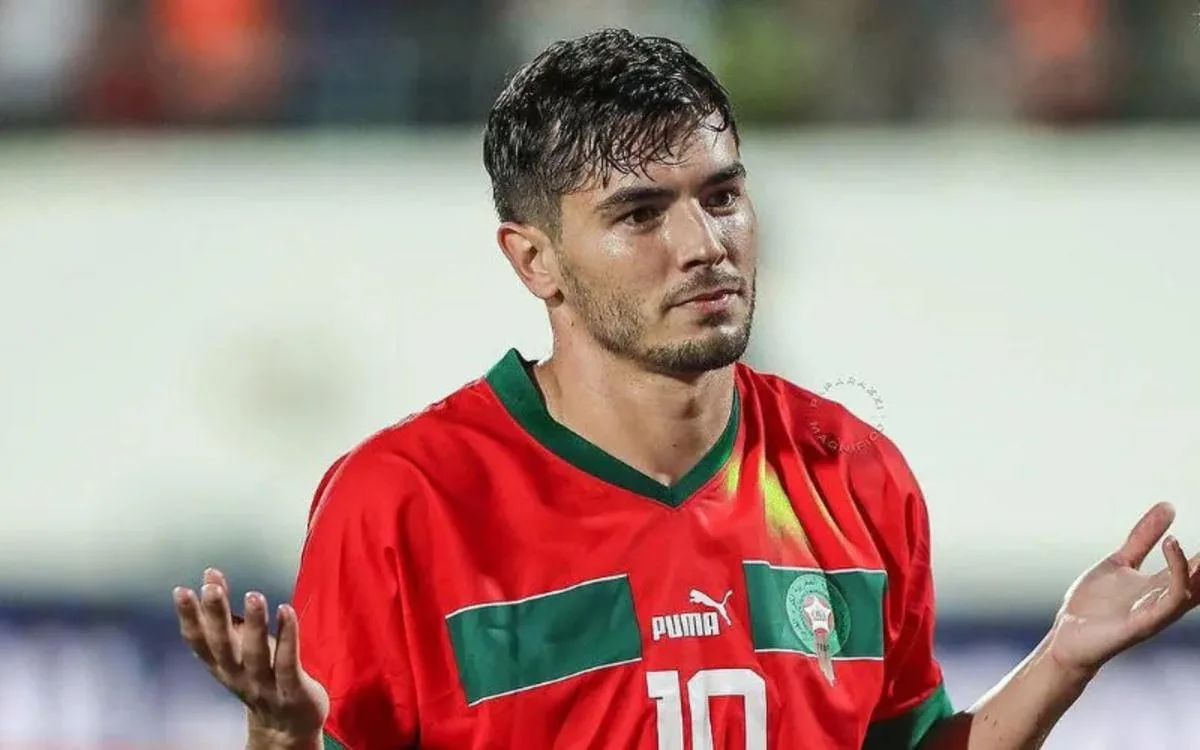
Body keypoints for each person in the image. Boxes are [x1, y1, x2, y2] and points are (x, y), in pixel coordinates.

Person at [173, 29, 1199, 750]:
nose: (704, 244)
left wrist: (1062, 660)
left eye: (723, 195)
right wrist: (281, 736)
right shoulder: (402, 501)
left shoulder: (854, 474)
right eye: (639, 214)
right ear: (534, 260)